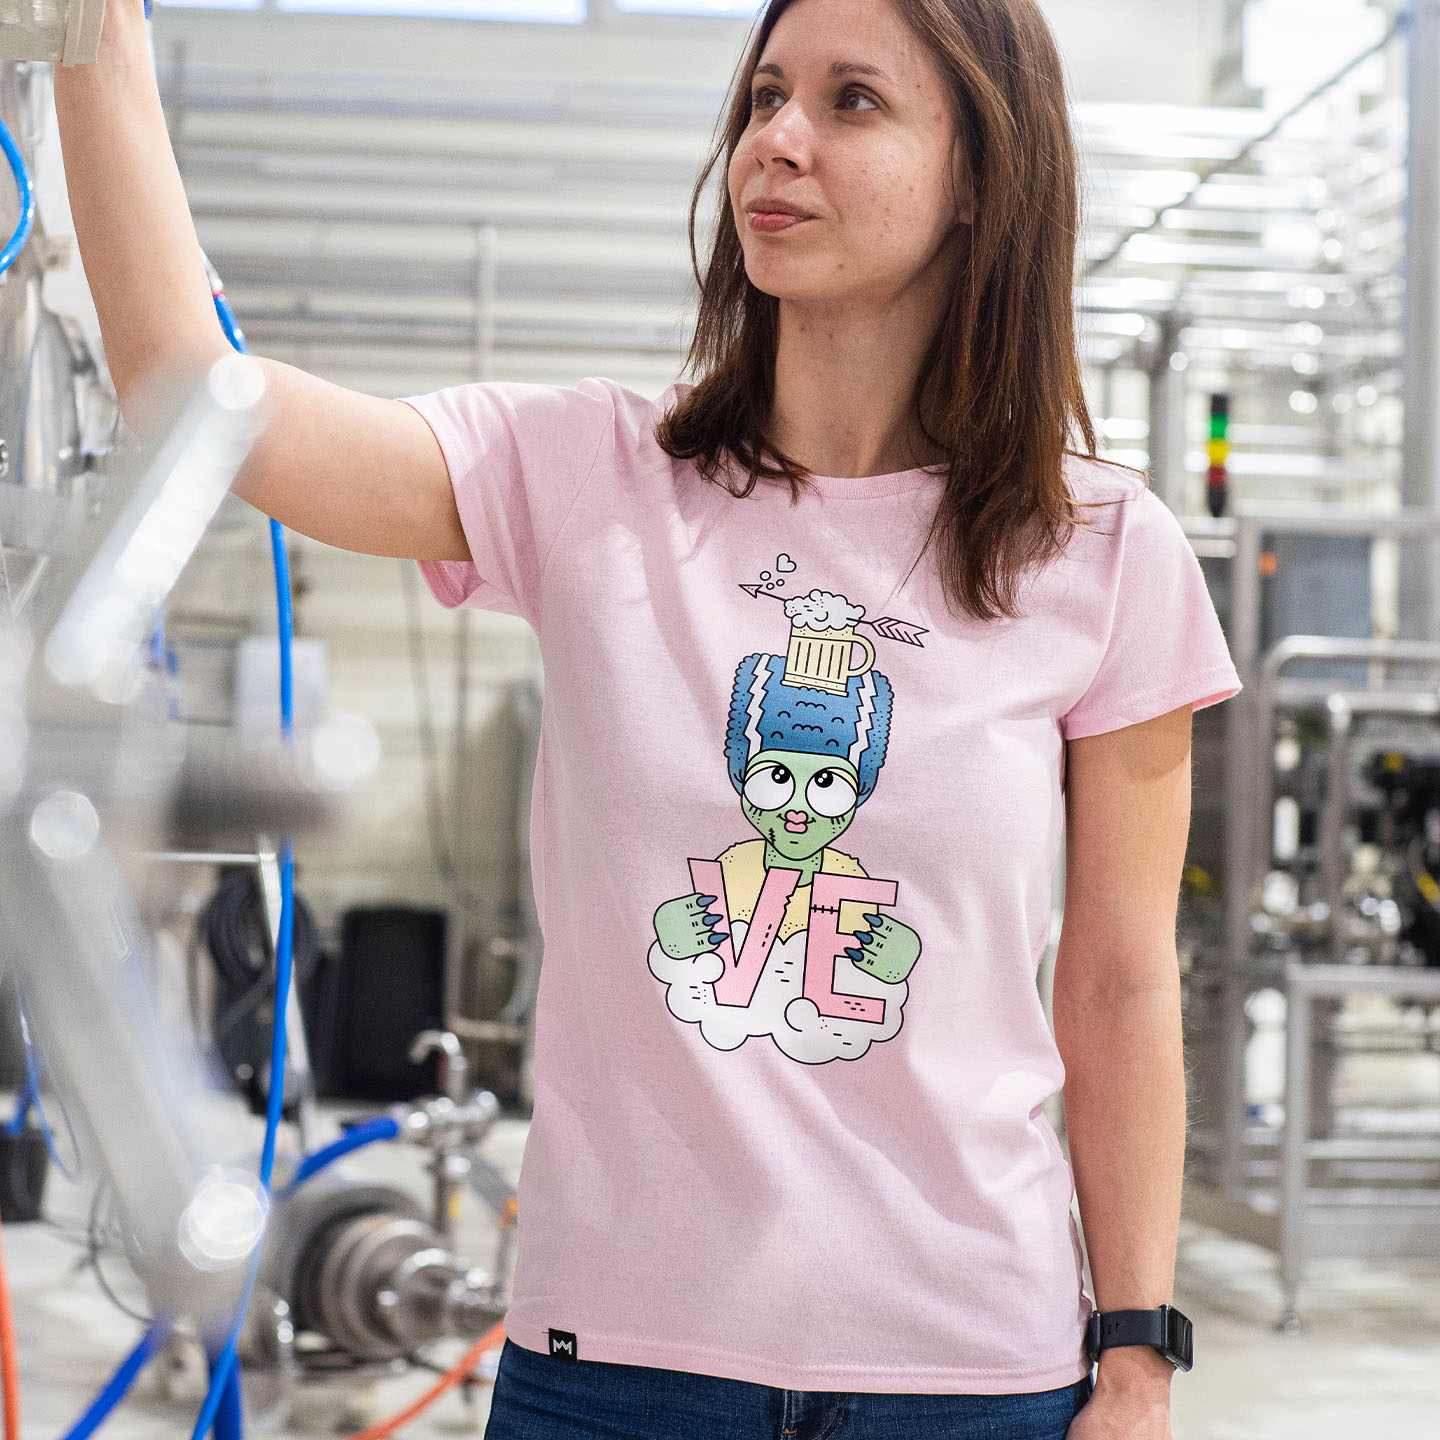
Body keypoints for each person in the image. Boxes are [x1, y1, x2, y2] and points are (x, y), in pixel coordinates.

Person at [54, 0, 1242, 1436]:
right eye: (763, 97)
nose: (777, 142)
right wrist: (95, 32)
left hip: (972, 1373)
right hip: (613, 1368)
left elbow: (1117, 986)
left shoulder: (1102, 551)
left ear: (984, 173)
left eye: (853, 101)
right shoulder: (593, 475)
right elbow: (199, 395)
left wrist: (1136, 1358)